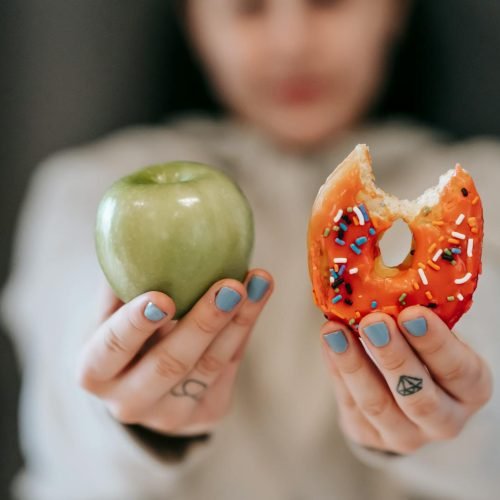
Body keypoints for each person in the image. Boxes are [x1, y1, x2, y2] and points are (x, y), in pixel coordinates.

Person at [1, 0, 499, 499]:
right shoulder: (81, 190)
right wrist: (125, 413)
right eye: (247, 7)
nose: (292, 43)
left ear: (393, 11)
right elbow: (63, 399)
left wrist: (453, 421)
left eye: (328, 2)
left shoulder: (488, 187)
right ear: (192, 20)